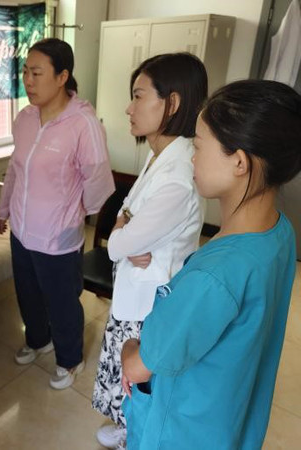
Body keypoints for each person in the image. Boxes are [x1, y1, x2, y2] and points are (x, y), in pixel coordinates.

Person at [120, 79, 301, 449]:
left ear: (239, 162)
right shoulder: (280, 234)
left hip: (180, 434)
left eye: (199, 146)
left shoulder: (212, 276)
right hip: (230, 423)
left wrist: (129, 347)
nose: (192, 158)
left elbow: (138, 367)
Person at [92, 53, 207, 448]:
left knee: (140, 381)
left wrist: (123, 236)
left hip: (150, 304)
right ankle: (127, 429)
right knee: (126, 378)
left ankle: (135, 436)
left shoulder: (178, 175)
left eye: (139, 96)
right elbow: (124, 216)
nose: (129, 107)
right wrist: (126, 228)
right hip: (135, 290)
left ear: (171, 103)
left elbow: (117, 244)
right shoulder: (161, 155)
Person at [0, 38, 115, 390]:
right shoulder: (25, 119)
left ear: (62, 77)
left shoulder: (83, 124)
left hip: (58, 235)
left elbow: (98, 179)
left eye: (36, 73)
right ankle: (38, 340)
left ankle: (70, 359)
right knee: (27, 292)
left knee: (62, 301)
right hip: (22, 229)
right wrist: (4, 208)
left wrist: (75, 212)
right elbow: (15, 169)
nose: (27, 81)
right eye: (25, 72)